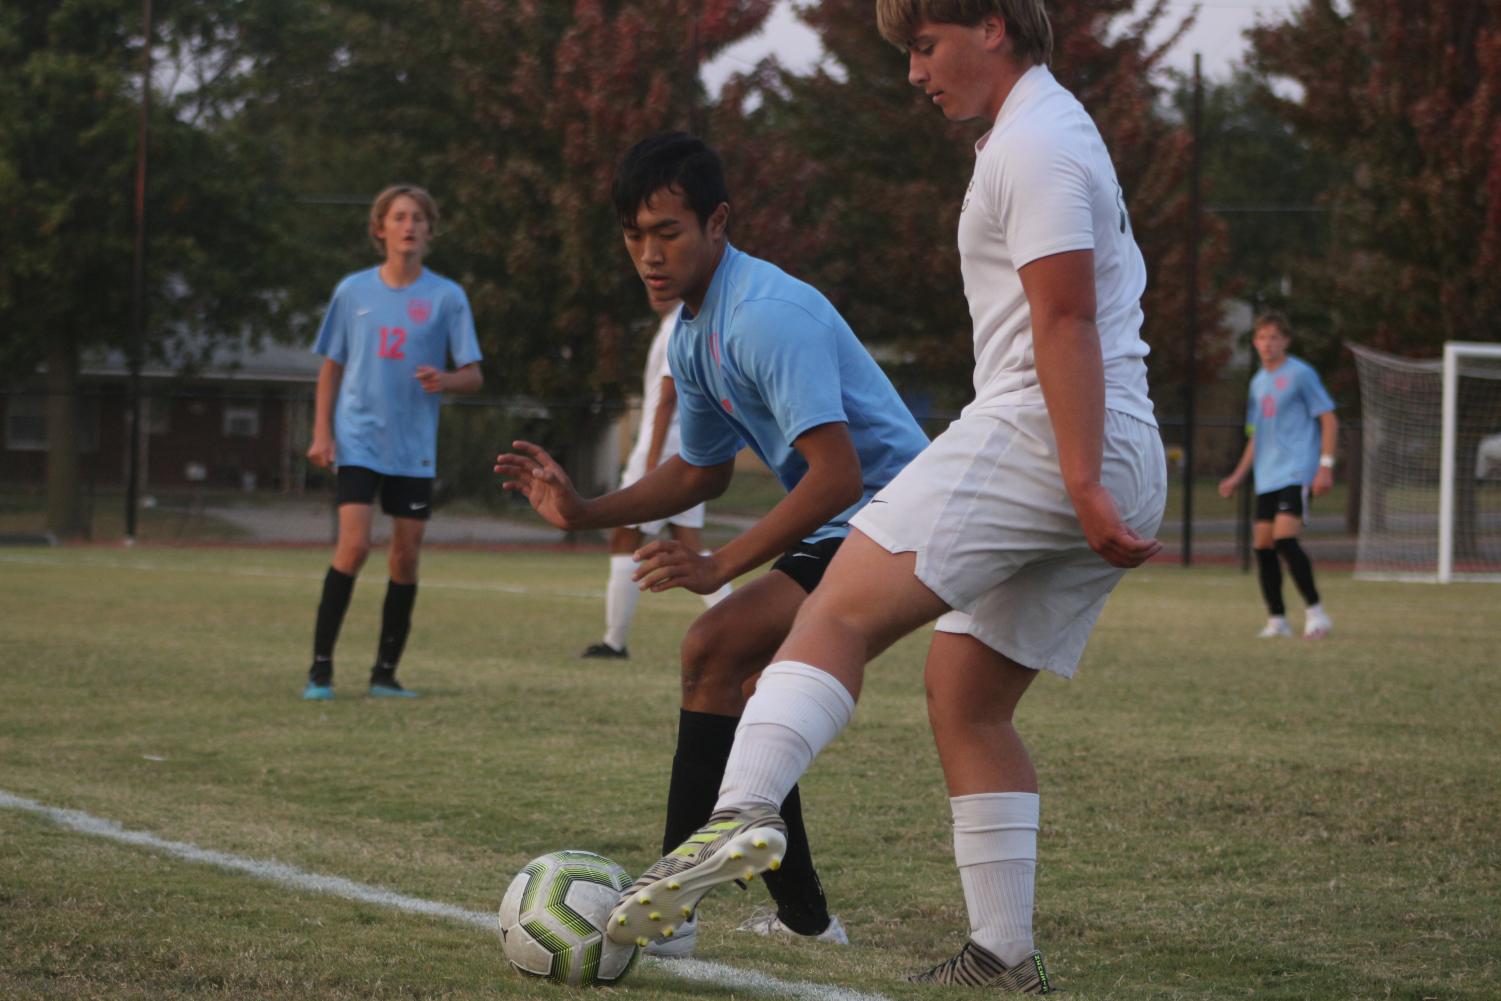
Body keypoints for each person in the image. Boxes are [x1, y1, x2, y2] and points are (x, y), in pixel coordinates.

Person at [605, 3, 1167, 992]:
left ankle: (742, 810)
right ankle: (1001, 954)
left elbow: (1065, 313)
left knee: (830, 615)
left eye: (921, 45)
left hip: (1046, 429)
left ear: (990, 25)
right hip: (1116, 442)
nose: (913, 73)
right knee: (966, 697)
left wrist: (1076, 476)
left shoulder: (1031, 142)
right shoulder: (1047, 126)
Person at [496, 132, 929, 956]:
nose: (649, 255)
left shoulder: (764, 316)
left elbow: (836, 475)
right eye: (633, 236)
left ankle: (670, 912)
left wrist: (719, 565)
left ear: (718, 222)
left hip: (905, 516)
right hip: (859, 519)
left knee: (715, 646)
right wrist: (582, 508)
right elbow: (698, 472)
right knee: (741, 681)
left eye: (667, 231)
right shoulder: (694, 333)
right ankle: (802, 919)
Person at [302, 184, 483, 700]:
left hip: (414, 448)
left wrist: (445, 380)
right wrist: (322, 433)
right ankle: (320, 670)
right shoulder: (352, 292)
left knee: (405, 556)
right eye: (399, 217)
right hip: (358, 439)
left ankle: (384, 674)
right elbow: (330, 367)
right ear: (380, 229)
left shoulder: (447, 296)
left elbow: (473, 374)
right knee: (355, 546)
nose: (409, 226)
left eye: (418, 218)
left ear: (430, 230)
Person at [582, 296, 732, 661]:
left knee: (625, 536)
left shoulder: (679, 324)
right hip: (686, 447)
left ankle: (614, 643)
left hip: (662, 448)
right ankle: (743, 627)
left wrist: (650, 466)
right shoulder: (688, 322)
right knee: (692, 546)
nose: (653, 287)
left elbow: (667, 397)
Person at [1218, 312, 1337, 639]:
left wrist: (1325, 465)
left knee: (1285, 539)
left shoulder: (1301, 374)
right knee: (1263, 547)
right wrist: (1237, 476)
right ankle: (1277, 620)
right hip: (1267, 476)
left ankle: (1317, 614)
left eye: (1273, 337)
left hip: (1297, 470)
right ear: (1254, 342)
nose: (1267, 344)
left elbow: (1328, 419)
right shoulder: (1257, 382)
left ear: (1285, 341)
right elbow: (1256, 435)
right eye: (1261, 338)